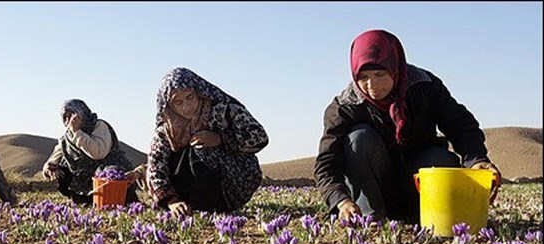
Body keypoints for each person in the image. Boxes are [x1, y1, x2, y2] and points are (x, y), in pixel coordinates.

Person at [314, 29, 500, 223]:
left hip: (417, 183)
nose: (372, 85)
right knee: (359, 140)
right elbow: (327, 162)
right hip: (375, 188)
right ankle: (372, 219)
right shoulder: (345, 106)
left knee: (440, 159)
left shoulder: (424, 86)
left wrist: (476, 158)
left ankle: (428, 216)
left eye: (379, 74)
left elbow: (460, 124)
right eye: (363, 77)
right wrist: (341, 200)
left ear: (395, 67)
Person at [147, 67, 269, 218]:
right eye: (178, 102)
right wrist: (171, 201)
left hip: (229, 186)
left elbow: (260, 137)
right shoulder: (167, 128)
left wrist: (220, 138)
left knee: (202, 149)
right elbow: (155, 165)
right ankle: (186, 206)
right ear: (170, 105)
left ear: (198, 92)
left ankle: (215, 206)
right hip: (183, 195)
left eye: (190, 97)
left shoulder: (224, 110)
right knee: (174, 157)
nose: (186, 107)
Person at [42, 99, 138, 205]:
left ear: (82, 113)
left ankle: (119, 200)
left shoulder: (98, 126)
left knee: (110, 173)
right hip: (83, 177)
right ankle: (85, 199)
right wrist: (49, 166)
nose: (70, 120)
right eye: (66, 117)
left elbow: (98, 153)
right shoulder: (68, 136)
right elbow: (56, 154)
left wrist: (78, 133)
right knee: (62, 170)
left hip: (105, 168)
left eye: (73, 115)